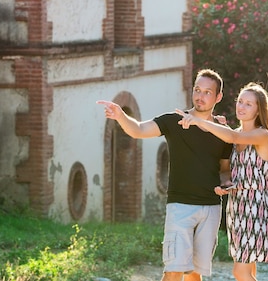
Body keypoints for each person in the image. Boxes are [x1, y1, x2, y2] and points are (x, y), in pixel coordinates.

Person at [97, 69, 232, 281]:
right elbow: (139, 130)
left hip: (211, 209)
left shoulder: (223, 131)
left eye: (207, 92)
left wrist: (226, 184)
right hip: (180, 208)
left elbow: (225, 170)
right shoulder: (173, 121)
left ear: (218, 97)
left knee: (195, 275)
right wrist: (121, 116)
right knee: (173, 271)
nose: (200, 96)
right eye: (197, 90)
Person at [176, 82, 268, 281]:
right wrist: (225, 183)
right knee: (249, 269)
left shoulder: (262, 135)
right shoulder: (235, 133)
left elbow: (231, 136)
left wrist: (198, 121)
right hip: (237, 207)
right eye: (240, 101)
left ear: (259, 110)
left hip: (255, 206)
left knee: (239, 272)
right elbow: (228, 171)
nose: (241, 106)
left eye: (249, 104)